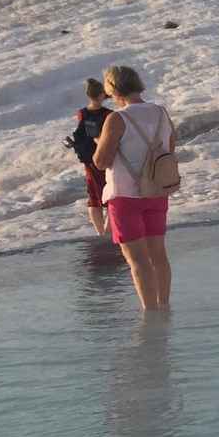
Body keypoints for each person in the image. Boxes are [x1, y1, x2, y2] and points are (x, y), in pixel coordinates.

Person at [92, 65, 176, 310]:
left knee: (137, 260)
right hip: (156, 190)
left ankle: (150, 315)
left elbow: (101, 162)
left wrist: (99, 143)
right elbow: (170, 147)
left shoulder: (117, 118)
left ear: (112, 89)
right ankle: (165, 307)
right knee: (159, 255)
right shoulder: (161, 112)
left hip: (125, 195)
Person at [65, 78, 113, 236]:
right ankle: (108, 231)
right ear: (101, 95)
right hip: (106, 158)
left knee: (93, 196)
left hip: (88, 159)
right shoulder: (108, 114)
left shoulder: (82, 113)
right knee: (112, 193)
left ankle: (101, 233)